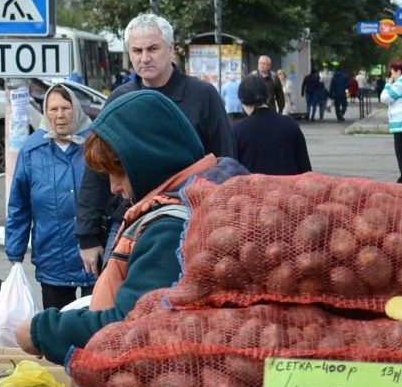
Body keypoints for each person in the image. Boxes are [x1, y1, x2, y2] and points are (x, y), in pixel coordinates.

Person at [16, 88, 247, 366]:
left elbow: (129, 326)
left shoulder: (170, 227)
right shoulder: (189, 197)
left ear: (149, 159)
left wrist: (42, 331)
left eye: (119, 172)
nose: (113, 187)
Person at [78, 13, 233, 275]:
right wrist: (87, 236)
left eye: (153, 48)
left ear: (170, 49)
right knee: (117, 305)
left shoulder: (203, 96)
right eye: (137, 50)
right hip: (127, 221)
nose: (144, 57)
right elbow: (97, 170)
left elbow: (225, 163)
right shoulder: (119, 99)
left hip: (190, 221)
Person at [7, 83, 96, 308]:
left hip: (94, 257)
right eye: (53, 109)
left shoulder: (95, 144)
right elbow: (19, 205)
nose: (60, 115)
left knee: (94, 332)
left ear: (76, 109)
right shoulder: (32, 151)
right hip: (52, 259)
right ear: (45, 112)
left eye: (66, 108)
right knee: (56, 333)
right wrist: (15, 252)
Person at [232, 73, 313, 177]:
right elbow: (305, 169)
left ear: (242, 100)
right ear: (266, 96)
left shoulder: (237, 130)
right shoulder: (291, 125)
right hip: (288, 190)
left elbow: (231, 172)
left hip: (252, 191)